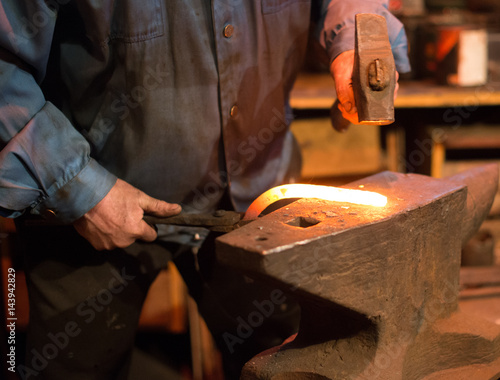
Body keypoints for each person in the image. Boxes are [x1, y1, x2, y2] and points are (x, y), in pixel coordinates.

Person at [0, 0, 410, 379]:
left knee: (299, 365)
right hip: (96, 200)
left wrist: (354, 41)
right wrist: (75, 184)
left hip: (257, 198)